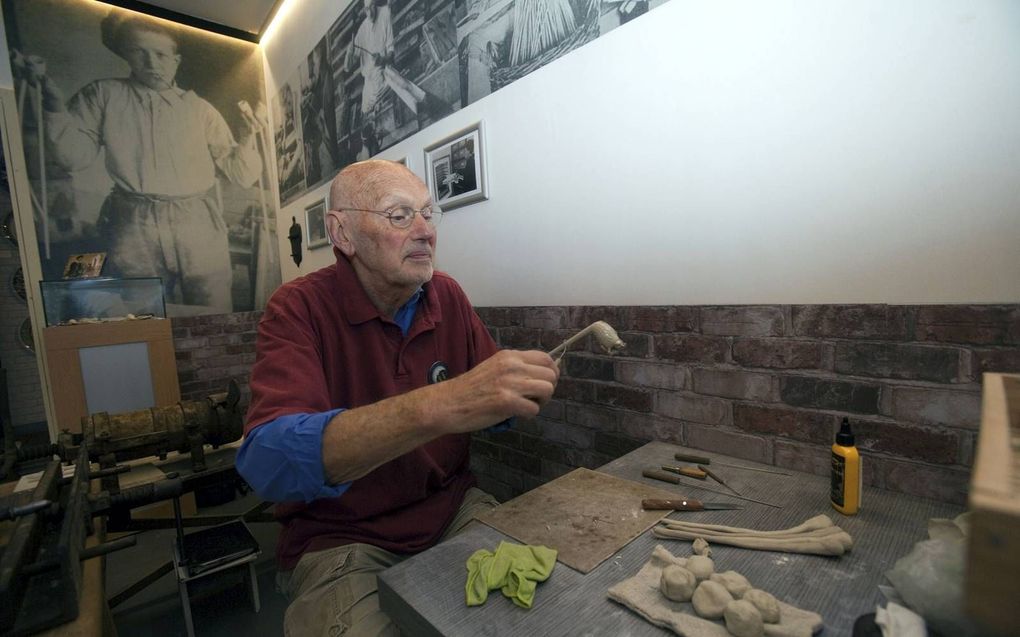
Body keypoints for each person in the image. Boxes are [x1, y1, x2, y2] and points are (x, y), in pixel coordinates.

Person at [237, 159, 559, 635]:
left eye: (429, 213)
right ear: (342, 233)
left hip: (452, 509)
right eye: (400, 215)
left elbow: (489, 413)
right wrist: (444, 403)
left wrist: (517, 394)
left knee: (548, 610)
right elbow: (269, 464)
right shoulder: (297, 309)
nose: (426, 231)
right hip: (341, 536)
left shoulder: (446, 295)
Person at [26, 11, 263, 312]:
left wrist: (246, 137)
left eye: (161, 55)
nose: (152, 64)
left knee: (211, 302)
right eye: (140, 53)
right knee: (142, 308)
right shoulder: (104, 95)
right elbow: (73, 157)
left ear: (176, 60)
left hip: (196, 221)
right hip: (133, 222)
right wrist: (54, 107)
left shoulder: (199, 110)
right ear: (126, 54)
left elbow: (241, 174)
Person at [346, 0, 395, 158]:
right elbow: (348, 65)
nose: (370, 13)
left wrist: (381, 58)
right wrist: (350, 50)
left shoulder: (385, 14)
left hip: (383, 74)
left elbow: (391, 54)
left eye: (372, 7)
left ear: (376, 4)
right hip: (369, 84)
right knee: (367, 130)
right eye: (366, 9)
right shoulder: (362, 29)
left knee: (383, 124)